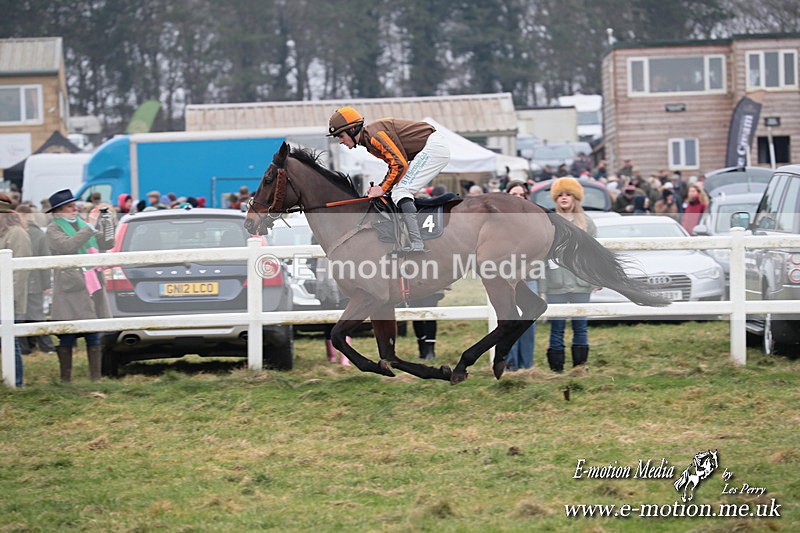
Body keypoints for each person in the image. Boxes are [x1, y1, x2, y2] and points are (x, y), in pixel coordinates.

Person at [328, 107, 451, 253]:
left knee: (401, 191)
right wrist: (382, 187)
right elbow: (395, 165)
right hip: (429, 148)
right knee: (396, 191)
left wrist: (382, 188)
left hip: (433, 148)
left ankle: (417, 242)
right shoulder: (368, 140)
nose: (341, 141)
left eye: (341, 136)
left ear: (353, 129)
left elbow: (399, 164)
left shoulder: (374, 137)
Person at [46, 189, 115, 382]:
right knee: (68, 333)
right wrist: (91, 226)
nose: (74, 209)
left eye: (74, 205)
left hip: (91, 283)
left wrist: (107, 221)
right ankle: (65, 380)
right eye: (70, 206)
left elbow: (107, 243)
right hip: (70, 286)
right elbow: (67, 246)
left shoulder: (82, 224)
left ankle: (96, 378)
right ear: (59, 210)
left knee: (93, 332)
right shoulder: (54, 229)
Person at [541, 178, 596, 372]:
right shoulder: (549, 223)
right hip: (555, 283)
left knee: (580, 325)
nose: (564, 198)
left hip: (581, 282)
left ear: (575, 198)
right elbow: (542, 255)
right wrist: (542, 286)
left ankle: (579, 367)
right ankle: (557, 368)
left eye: (568, 194)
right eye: (560, 195)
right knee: (557, 326)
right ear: (555, 199)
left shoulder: (587, 223)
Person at [504, 181, 538, 371]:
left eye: (521, 195)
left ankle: (527, 366)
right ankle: (509, 364)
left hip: (528, 277)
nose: (518, 198)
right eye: (514, 194)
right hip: (505, 278)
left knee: (527, 323)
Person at [15, 205, 56, 355]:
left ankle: (24, 348)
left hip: (20, 282)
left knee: (19, 316)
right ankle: (47, 347)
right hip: (35, 282)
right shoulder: (39, 234)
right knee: (37, 316)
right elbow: (44, 261)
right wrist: (46, 283)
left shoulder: (16, 232)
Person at [0, 194, 32, 386]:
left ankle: (16, 383)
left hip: (7, 298)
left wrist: (8, 299)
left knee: (11, 342)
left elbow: (19, 273)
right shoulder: (4, 233)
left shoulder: (16, 234)